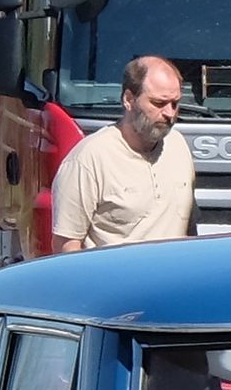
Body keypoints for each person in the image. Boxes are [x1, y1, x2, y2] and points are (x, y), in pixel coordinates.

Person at [50, 56, 195, 252]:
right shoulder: (88, 159)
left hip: (173, 272)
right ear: (129, 100)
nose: (169, 113)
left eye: (175, 104)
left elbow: (189, 230)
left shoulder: (178, 146)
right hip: (112, 272)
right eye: (158, 103)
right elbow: (66, 244)